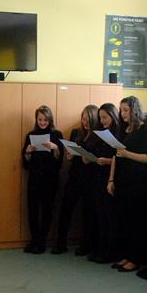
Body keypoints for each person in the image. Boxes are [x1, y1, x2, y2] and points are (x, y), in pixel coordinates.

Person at [108, 96, 147, 272]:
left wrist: (127, 154)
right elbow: (116, 155)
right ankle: (126, 255)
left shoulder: (145, 130)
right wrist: (111, 179)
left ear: (134, 110)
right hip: (123, 179)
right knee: (124, 220)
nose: (122, 114)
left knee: (136, 221)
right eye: (121, 110)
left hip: (138, 181)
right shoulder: (124, 129)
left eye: (126, 110)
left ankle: (135, 258)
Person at [51, 105, 100, 255]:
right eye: (83, 119)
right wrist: (70, 155)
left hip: (89, 178)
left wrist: (88, 158)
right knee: (65, 209)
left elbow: (97, 158)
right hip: (74, 176)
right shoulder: (76, 133)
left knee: (87, 212)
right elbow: (69, 156)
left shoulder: (98, 136)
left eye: (88, 119)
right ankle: (61, 243)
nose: (85, 122)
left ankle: (86, 245)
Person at [22, 105, 64, 254]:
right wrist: (27, 152)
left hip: (50, 180)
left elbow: (60, 161)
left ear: (50, 120)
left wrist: (55, 148)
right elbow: (25, 163)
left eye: (45, 120)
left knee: (47, 211)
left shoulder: (57, 134)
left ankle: (41, 242)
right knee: (32, 211)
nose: (42, 122)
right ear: (36, 119)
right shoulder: (31, 135)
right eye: (40, 119)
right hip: (34, 179)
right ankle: (34, 240)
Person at [88, 103, 121, 263]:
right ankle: (100, 248)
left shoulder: (119, 134)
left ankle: (110, 251)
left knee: (109, 216)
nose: (102, 121)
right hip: (98, 176)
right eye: (100, 118)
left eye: (105, 117)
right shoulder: (100, 133)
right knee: (99, 215)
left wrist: (107, 161)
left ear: (113, 116)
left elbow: (118, 158)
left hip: (110, 177)